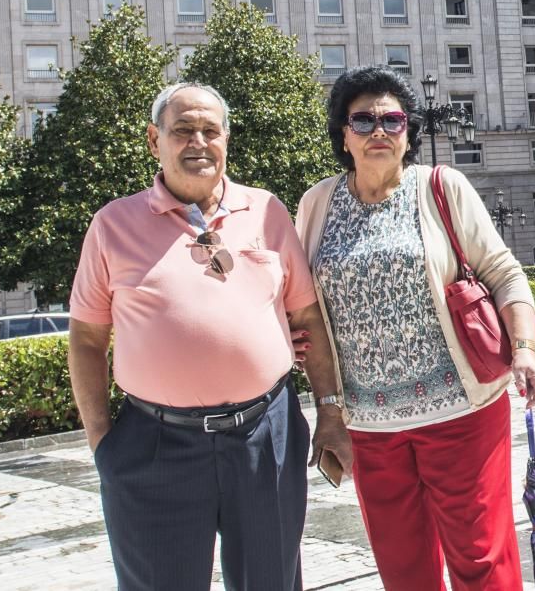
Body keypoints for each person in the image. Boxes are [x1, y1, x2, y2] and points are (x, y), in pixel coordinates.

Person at [67, 82, 352, 591]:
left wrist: (330, 410)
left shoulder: (267, 211)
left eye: (210, 130)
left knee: (272, 581)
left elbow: (306, 318)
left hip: (267, 434)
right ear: (155, 141)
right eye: (182, 131)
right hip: (154, 443)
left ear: (226, 140)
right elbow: (87, 340)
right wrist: (102, 443)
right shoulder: (112, 225)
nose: (198, 142)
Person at [295, 65, 535, 591]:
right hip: (369, 426)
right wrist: (328, 405)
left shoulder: (439, 186)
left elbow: (504, 272)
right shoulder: (316, 204)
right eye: (363, 121)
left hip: (463, 413)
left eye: (393, 119)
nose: (379, 130)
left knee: (481, 560)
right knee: (403, 569)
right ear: (343, 134)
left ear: (408, 131)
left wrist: (523, 348)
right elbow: (303, 306)